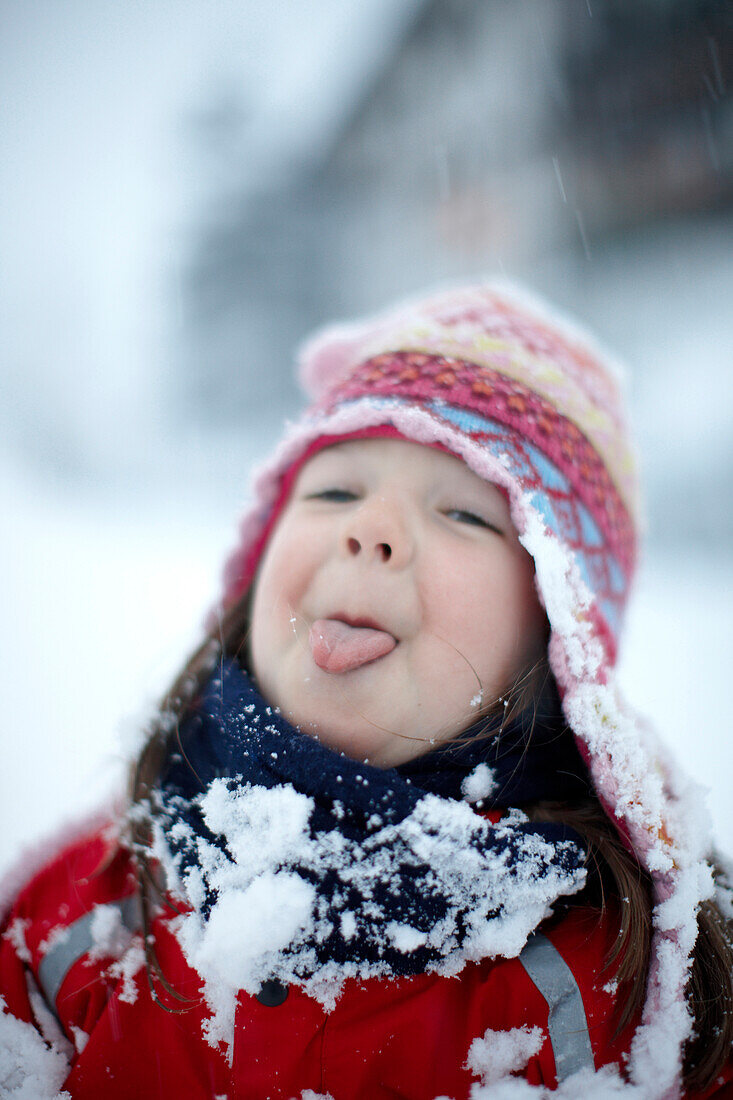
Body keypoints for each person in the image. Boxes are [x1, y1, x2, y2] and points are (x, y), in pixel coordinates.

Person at [1, 283, 731, 1099]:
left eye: (464, 513)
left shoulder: (617, 1001)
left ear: (555, 643)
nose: (370, 528)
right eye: (334, 491)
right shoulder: (72, 928)